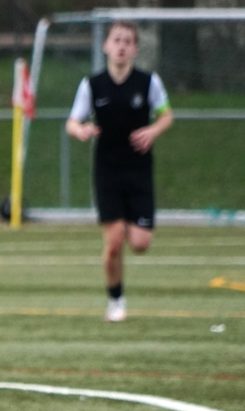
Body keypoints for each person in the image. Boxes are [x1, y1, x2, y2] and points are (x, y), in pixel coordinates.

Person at [66, 20, 173, 322]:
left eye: (128, 41)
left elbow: (166, 115)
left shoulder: (148, 82)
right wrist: (81, 130)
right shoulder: (92, 85)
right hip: (107, 171)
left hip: (139, 171)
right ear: (106, 46)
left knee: (140, 244)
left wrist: (153, 131)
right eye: (117, 40)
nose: (122, 46)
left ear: (135, 49)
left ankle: (127, 223)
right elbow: (72, 122)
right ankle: (116, 301)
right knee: (113, 245)